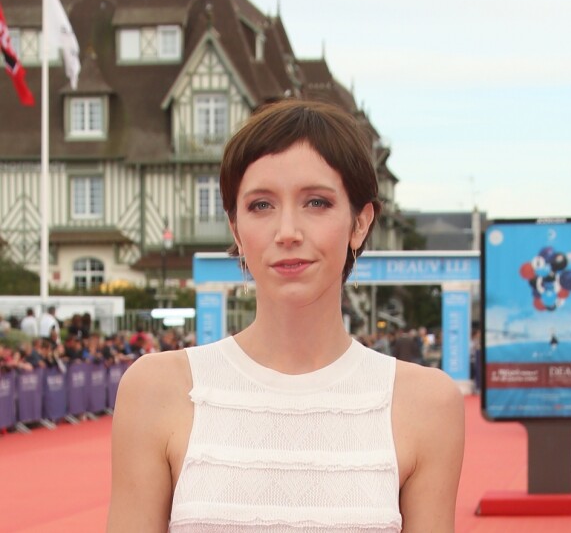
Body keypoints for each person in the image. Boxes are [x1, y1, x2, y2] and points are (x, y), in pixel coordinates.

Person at [108, 100, 464, 532]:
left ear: (360, 223)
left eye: (316, 202)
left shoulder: (426, 404)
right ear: (236, 229)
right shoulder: (157, 390)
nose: (288, 232)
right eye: (261, 205)